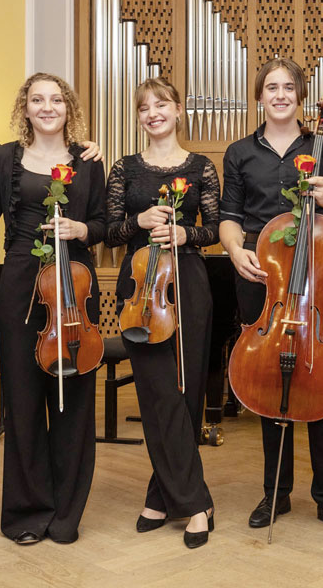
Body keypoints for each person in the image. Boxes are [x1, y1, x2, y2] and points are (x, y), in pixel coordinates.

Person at [218, 57, 323, 538]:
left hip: (318, 281)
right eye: (271, 87)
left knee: (322, 383)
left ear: (300, 97)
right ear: (259, 96)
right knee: (267, 382)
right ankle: (275, 492)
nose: (280, 95)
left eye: (288, 87)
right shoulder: (240, 152)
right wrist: (235, 249)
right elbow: (229, 216)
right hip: (263, 279)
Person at [0, 72, 106, 545]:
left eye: (56, 99)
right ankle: (26, 514)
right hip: (19, 281)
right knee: (23, 398)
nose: (47, 107)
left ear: (68, 107)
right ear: (26, 107)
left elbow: (104, 222)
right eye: (38, 99)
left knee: (73, 396)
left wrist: (82, 230)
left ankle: (66, 514)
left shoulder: (89, 161)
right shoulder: (4, 157)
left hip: (74, 280)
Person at [107, 77, 217, 548]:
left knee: (185, 394)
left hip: (187, 282)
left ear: (178, 110)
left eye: (162, 104)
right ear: (139, 117)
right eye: (144, 107)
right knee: (157, 394)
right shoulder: (124, 168)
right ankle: (195, 503)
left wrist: (186, 234)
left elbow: (215, 228)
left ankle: (161, 495)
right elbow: (109, 231)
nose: (153, 113)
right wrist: (139, 221)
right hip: (139, 286)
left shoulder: (201, 168)